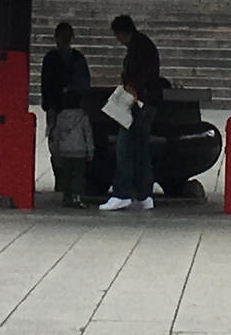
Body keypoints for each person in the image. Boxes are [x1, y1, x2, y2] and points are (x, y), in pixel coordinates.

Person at [99, 14, 161, 212]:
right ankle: (145, 194)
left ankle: (121, 192)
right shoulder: (145, 45)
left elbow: (141, 74)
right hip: (148, 101)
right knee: (141, 149)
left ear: (122, 33)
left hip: (138, 101)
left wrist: (133, 88)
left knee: (124, 147)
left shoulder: (138, 49)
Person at [40, 23, 92, 206]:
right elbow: (46, 84)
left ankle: (68, 181)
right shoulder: (54, 58)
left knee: (66, 144)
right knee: (56, 145)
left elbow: (84, 82)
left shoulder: (75, 58)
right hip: (58, 106)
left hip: (71, 106)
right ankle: (61, 178)